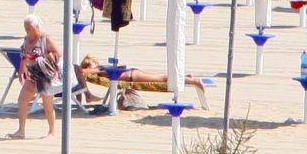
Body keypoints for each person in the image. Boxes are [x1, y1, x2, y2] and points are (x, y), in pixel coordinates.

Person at [7, 16, 64, 138]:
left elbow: (58, 53)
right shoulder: (26, 39)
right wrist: (22, 70)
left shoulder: (45, 38)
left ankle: (51, 131)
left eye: (29, 27)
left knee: (47, 105)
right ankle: (21, 130)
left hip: (44, 76)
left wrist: (43, 60)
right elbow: (23, 55)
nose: (27, 30)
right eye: (25, 27)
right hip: (32, 76)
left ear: (37, 27)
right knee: (22, 101)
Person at [76, 54, 208, 106]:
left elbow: (82, 70)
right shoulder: (96, 70)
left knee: (161, 77)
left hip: (133, 75)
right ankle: (186, 78)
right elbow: (81, 70)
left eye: (91, 63)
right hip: (132, 75)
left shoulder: (99, 69)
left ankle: (192, 80)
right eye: (87, 64)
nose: (89, 66)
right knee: (161, 77)